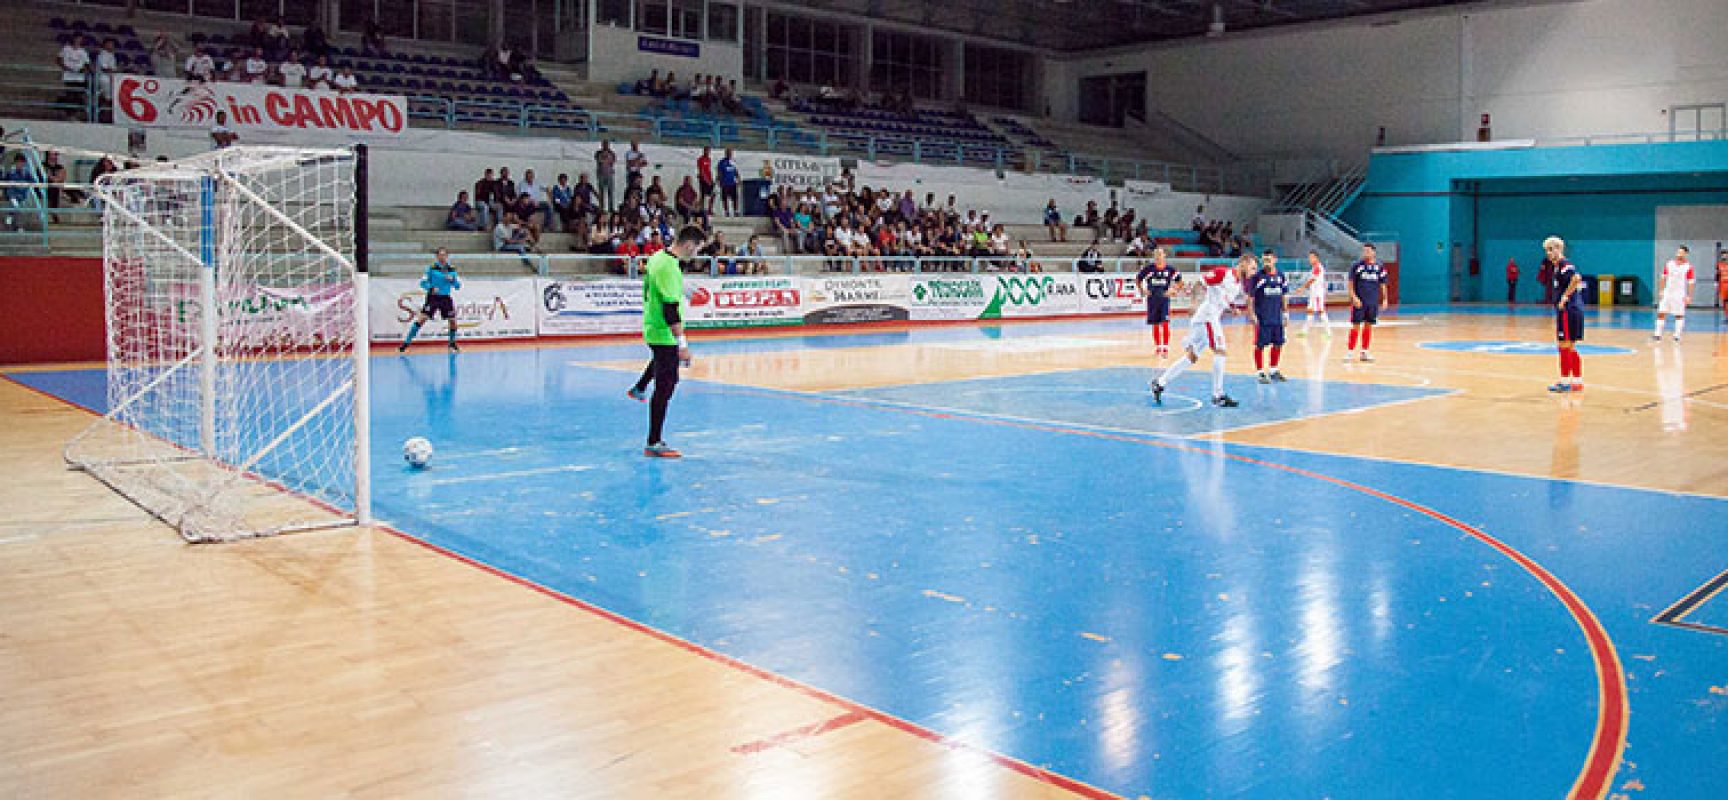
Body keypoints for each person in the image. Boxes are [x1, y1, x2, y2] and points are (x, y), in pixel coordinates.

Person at [626, 225, 706, 458]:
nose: (697, 254)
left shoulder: (658, 257)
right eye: (698, 249)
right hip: (664, 333)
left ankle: (639, 387)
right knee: (666, 386)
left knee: (661, 362)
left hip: (652, 327)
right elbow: (670, 310)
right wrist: (683, 345)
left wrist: (685, 291)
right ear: (689, 244)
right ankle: (654, 441)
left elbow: (656, 290)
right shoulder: (670, 267)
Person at [1151, 254, 1249, 408]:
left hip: (1207, 319)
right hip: (1207, 317)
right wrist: (1194, 303)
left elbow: (1222, 302)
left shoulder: (1237, 285)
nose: (1254, 271)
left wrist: (1232, 310)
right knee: (1221, 351)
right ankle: (1218, 395)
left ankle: (1160, 382)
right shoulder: (1223, 273)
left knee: (1191, 357)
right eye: (1253, 267)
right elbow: (1199, 283)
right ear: (1243, 263)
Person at [398, 248, 461, 352]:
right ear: (437, 257)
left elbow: (458, 286)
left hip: (445, 297)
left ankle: (452, 343)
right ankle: (406, 343)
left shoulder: (452, 269)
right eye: (440, 255)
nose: (443, 257)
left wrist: (453, 280)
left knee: (453, 321)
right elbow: (423, 283)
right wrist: (431, 288)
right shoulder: (431, 269)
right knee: (422, 319)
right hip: (433, 298)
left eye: (445, 255)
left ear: (447, 256)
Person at [1546, 236, 1585, 393]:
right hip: (1571, 310)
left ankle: (1565, 381)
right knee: (1568, 347)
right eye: (1547, 250)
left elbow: (1576, 278)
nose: (1548, 253)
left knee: (1564, 346)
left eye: (1550, 249)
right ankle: (1576, 381)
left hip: (1568, 311)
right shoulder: (1557, 267)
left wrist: (1565, 297)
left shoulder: (1565, 265)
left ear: (1558, 249)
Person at [1247, 250, 1291, 383]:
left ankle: (1273, 370)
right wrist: (1252, 314)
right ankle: (1260, 372)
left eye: (1268, 260)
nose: (1266, 263)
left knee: (1278, 343)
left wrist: (1285, 313)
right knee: (1260, 345)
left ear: (1275, 260)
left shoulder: (1281, 276)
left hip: (1276, 317)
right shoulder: (1257, 277)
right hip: (1262, 318)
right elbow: (1250, 298)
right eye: (1264, 260)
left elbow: (1284, 295)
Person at [1135, 247, 1181, 358]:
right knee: (1155, 324)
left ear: (1164, 255)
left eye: (1160, 254)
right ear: (1154, 256)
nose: (1158, 256)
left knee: (1165, 323)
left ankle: (1165, 348)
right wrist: (1142, 290)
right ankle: (1158, 347)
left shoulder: (1170, 269)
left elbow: (1180, 281)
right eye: (1156, 254)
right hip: (1152, 300)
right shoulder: (1149, 269)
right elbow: (1138, 279)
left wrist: (1174, 290)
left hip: (1164, 300)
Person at [1345, 243, 1386, 362]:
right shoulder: (1357, 266)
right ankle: (1350, 352)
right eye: (1364, 251)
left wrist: (1384, 299)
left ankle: (1365, 352)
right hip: (1359, 302)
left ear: (1374, 252)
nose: (1366, 253)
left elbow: (1383, 284)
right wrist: (1354, 297)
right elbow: (1350, 283)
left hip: (1372, 302)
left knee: (1368, 325)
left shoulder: (1380, 267)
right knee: (1355, 325)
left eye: (1368, 251)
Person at [1652, 245, 1694, 343]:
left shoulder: (1688, 267)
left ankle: (1677, 336)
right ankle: (1657, 334)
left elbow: (1691, 282)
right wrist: (1661, 290)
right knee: (1661, 313)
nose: (1679, 254)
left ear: (1685, 254)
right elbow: (1663, 277)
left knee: (1679, 315)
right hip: (1668, 292)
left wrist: (1689, 296)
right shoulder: (1669, 264)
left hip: (1679, 294)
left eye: (1681, 252)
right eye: (1678, 252)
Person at [1298, 251, 1331, 336]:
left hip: (1317, 294)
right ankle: (1304, 331)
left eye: (1312, 257)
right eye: (1309, 257)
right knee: (1310, 311)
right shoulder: (1313, 268)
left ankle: (1328, 333)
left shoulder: (1318, 267)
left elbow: (1312, 280)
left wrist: (1302, 288)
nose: (1310, 259)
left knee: (1321, 311)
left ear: (1316, 258)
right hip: (1313, 293)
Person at [594, 141, 617, 213]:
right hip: (601, 174)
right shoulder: (598, 152)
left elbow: (613, 160)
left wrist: (607, 160)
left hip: (609, 174)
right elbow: (599, 160)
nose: (605, 146)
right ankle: (601, 208)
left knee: (610, 192)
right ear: (602, 145)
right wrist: (605, 159)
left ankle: (611, 207)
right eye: (604, 144)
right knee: (601, 192)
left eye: (607, 144)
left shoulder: (611, 153)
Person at [716, 147, 740, 218]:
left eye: (731, 153)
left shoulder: (733, 162)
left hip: (732, 183)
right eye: (728, 153)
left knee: (735, 198)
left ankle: (735, 211)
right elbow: (719, 172)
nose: (730, 154)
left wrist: (738, 179)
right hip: (725, 183)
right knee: (725, 198)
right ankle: (726, 211)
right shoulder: (722, 162)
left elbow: (736, 171)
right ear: (726, 153)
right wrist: (719, 181)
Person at [695, 146, 716, 214]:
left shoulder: (709, 159)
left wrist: (711, 179)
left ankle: (710, 208)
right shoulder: (700, 159)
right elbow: (701, 171)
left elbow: (708, 170)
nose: (707, 152)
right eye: (706, 151)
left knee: (713, 194)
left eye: (708, 151)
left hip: (709, 179)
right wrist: (706, 180)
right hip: (703, 180)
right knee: (703, 195)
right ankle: (701, 209)